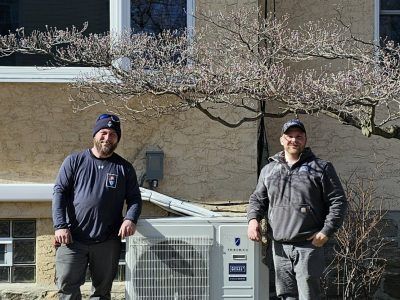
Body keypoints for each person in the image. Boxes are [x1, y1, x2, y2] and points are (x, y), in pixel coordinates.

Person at [247, 119, 347, 300]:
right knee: (286, 296)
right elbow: (257, 199)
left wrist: (326, 231)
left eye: (298, 136)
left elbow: (338, 202)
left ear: (305, 139)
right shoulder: (269, 170)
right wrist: (253, 220)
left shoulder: (321, 168)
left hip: (309, 246)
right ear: (282, 140)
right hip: (279, 247)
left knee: (310, 296)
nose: (294, 140)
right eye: (289, 136)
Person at [52, 113, 142, 300]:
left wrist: (130, 219)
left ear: (117, 139)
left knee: (102, 292)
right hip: (72, 239)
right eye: (103, 132)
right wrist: (60, 225)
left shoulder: (124, 168)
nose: (107, 138)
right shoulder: (74, 161)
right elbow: (59, 192)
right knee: (67, 289)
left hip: (107, 241)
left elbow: (134, 198)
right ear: (95, 134)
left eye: (112, 134)